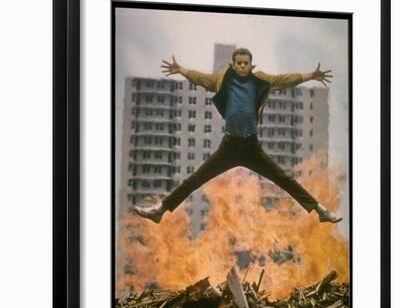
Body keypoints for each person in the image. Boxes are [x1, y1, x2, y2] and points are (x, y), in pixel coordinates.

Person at [134, 48, 342, 224]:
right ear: (233, 65)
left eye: (246, 63)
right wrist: (181, 70)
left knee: (284, 179)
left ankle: (320, 210)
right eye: (239, 63)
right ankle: (161, 210)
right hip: (229, 146)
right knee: (196, 178)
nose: (242, 66)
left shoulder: (261, 80)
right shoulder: (222, 80)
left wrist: (311, 76)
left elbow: (285, 80)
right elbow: (200, 78)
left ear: (251, 65)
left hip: (252, 146)